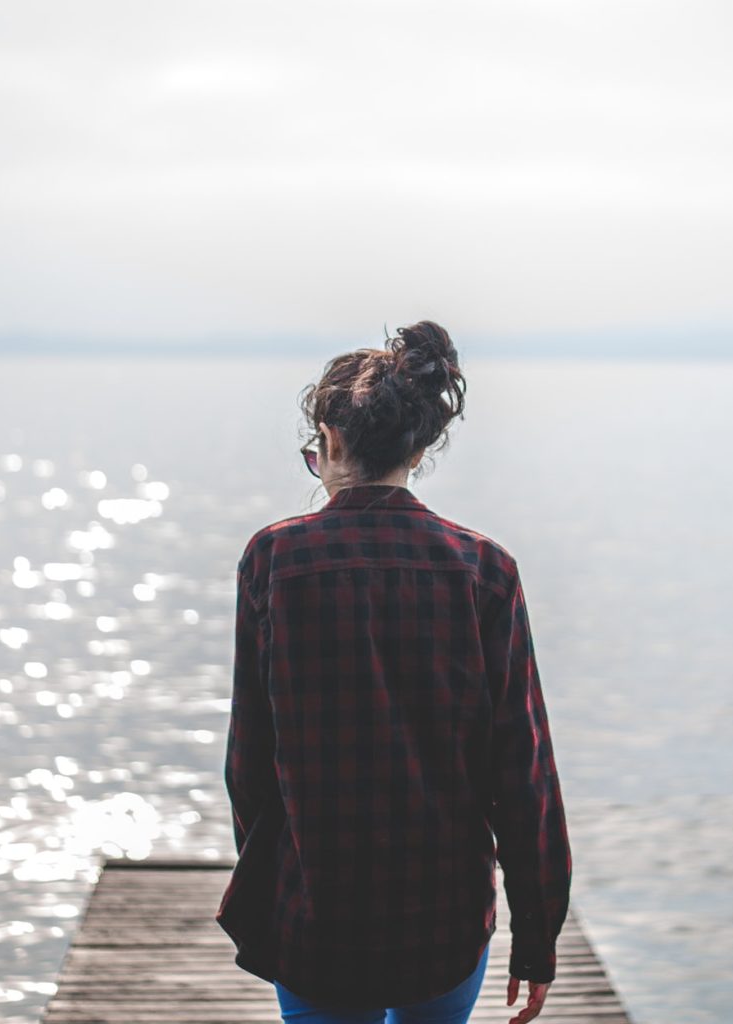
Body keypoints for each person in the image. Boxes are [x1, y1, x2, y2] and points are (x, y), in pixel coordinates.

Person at [216, 321, 572, 1024]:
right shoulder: (484, 571)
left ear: (330, 440)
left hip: (315, 911)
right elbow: (522, 775)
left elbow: (249, 760)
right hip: (441, 917)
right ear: (419, 445)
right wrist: (536, 940)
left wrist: (270, 883)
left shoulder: (275, 560)